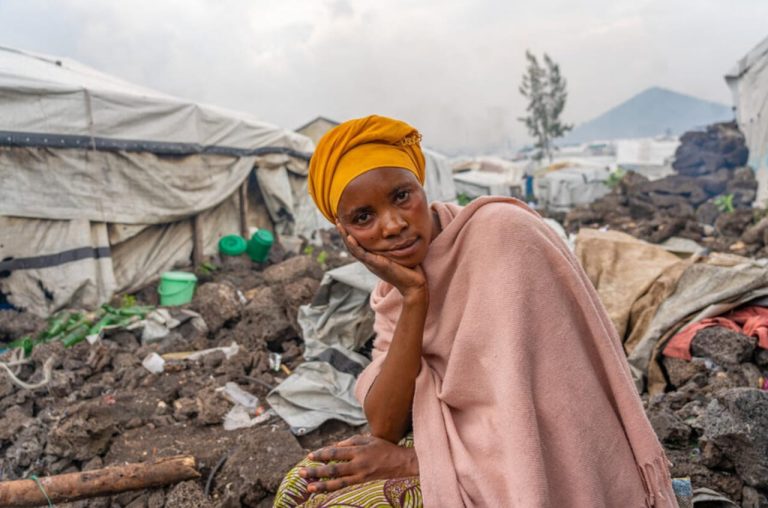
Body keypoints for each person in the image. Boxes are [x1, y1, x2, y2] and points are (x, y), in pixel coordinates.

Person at [274, 115, 676, 507]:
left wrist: (416, 463)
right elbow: (385, 425)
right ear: (346, 234)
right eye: (364, 218)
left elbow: (557, 411)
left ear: (421, 186)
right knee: (299, 487)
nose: (393, 224)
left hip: (541, 457)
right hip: (460, 441)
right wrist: (414, 297)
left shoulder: (504, 233)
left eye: (401, 196)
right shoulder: (393, 286)